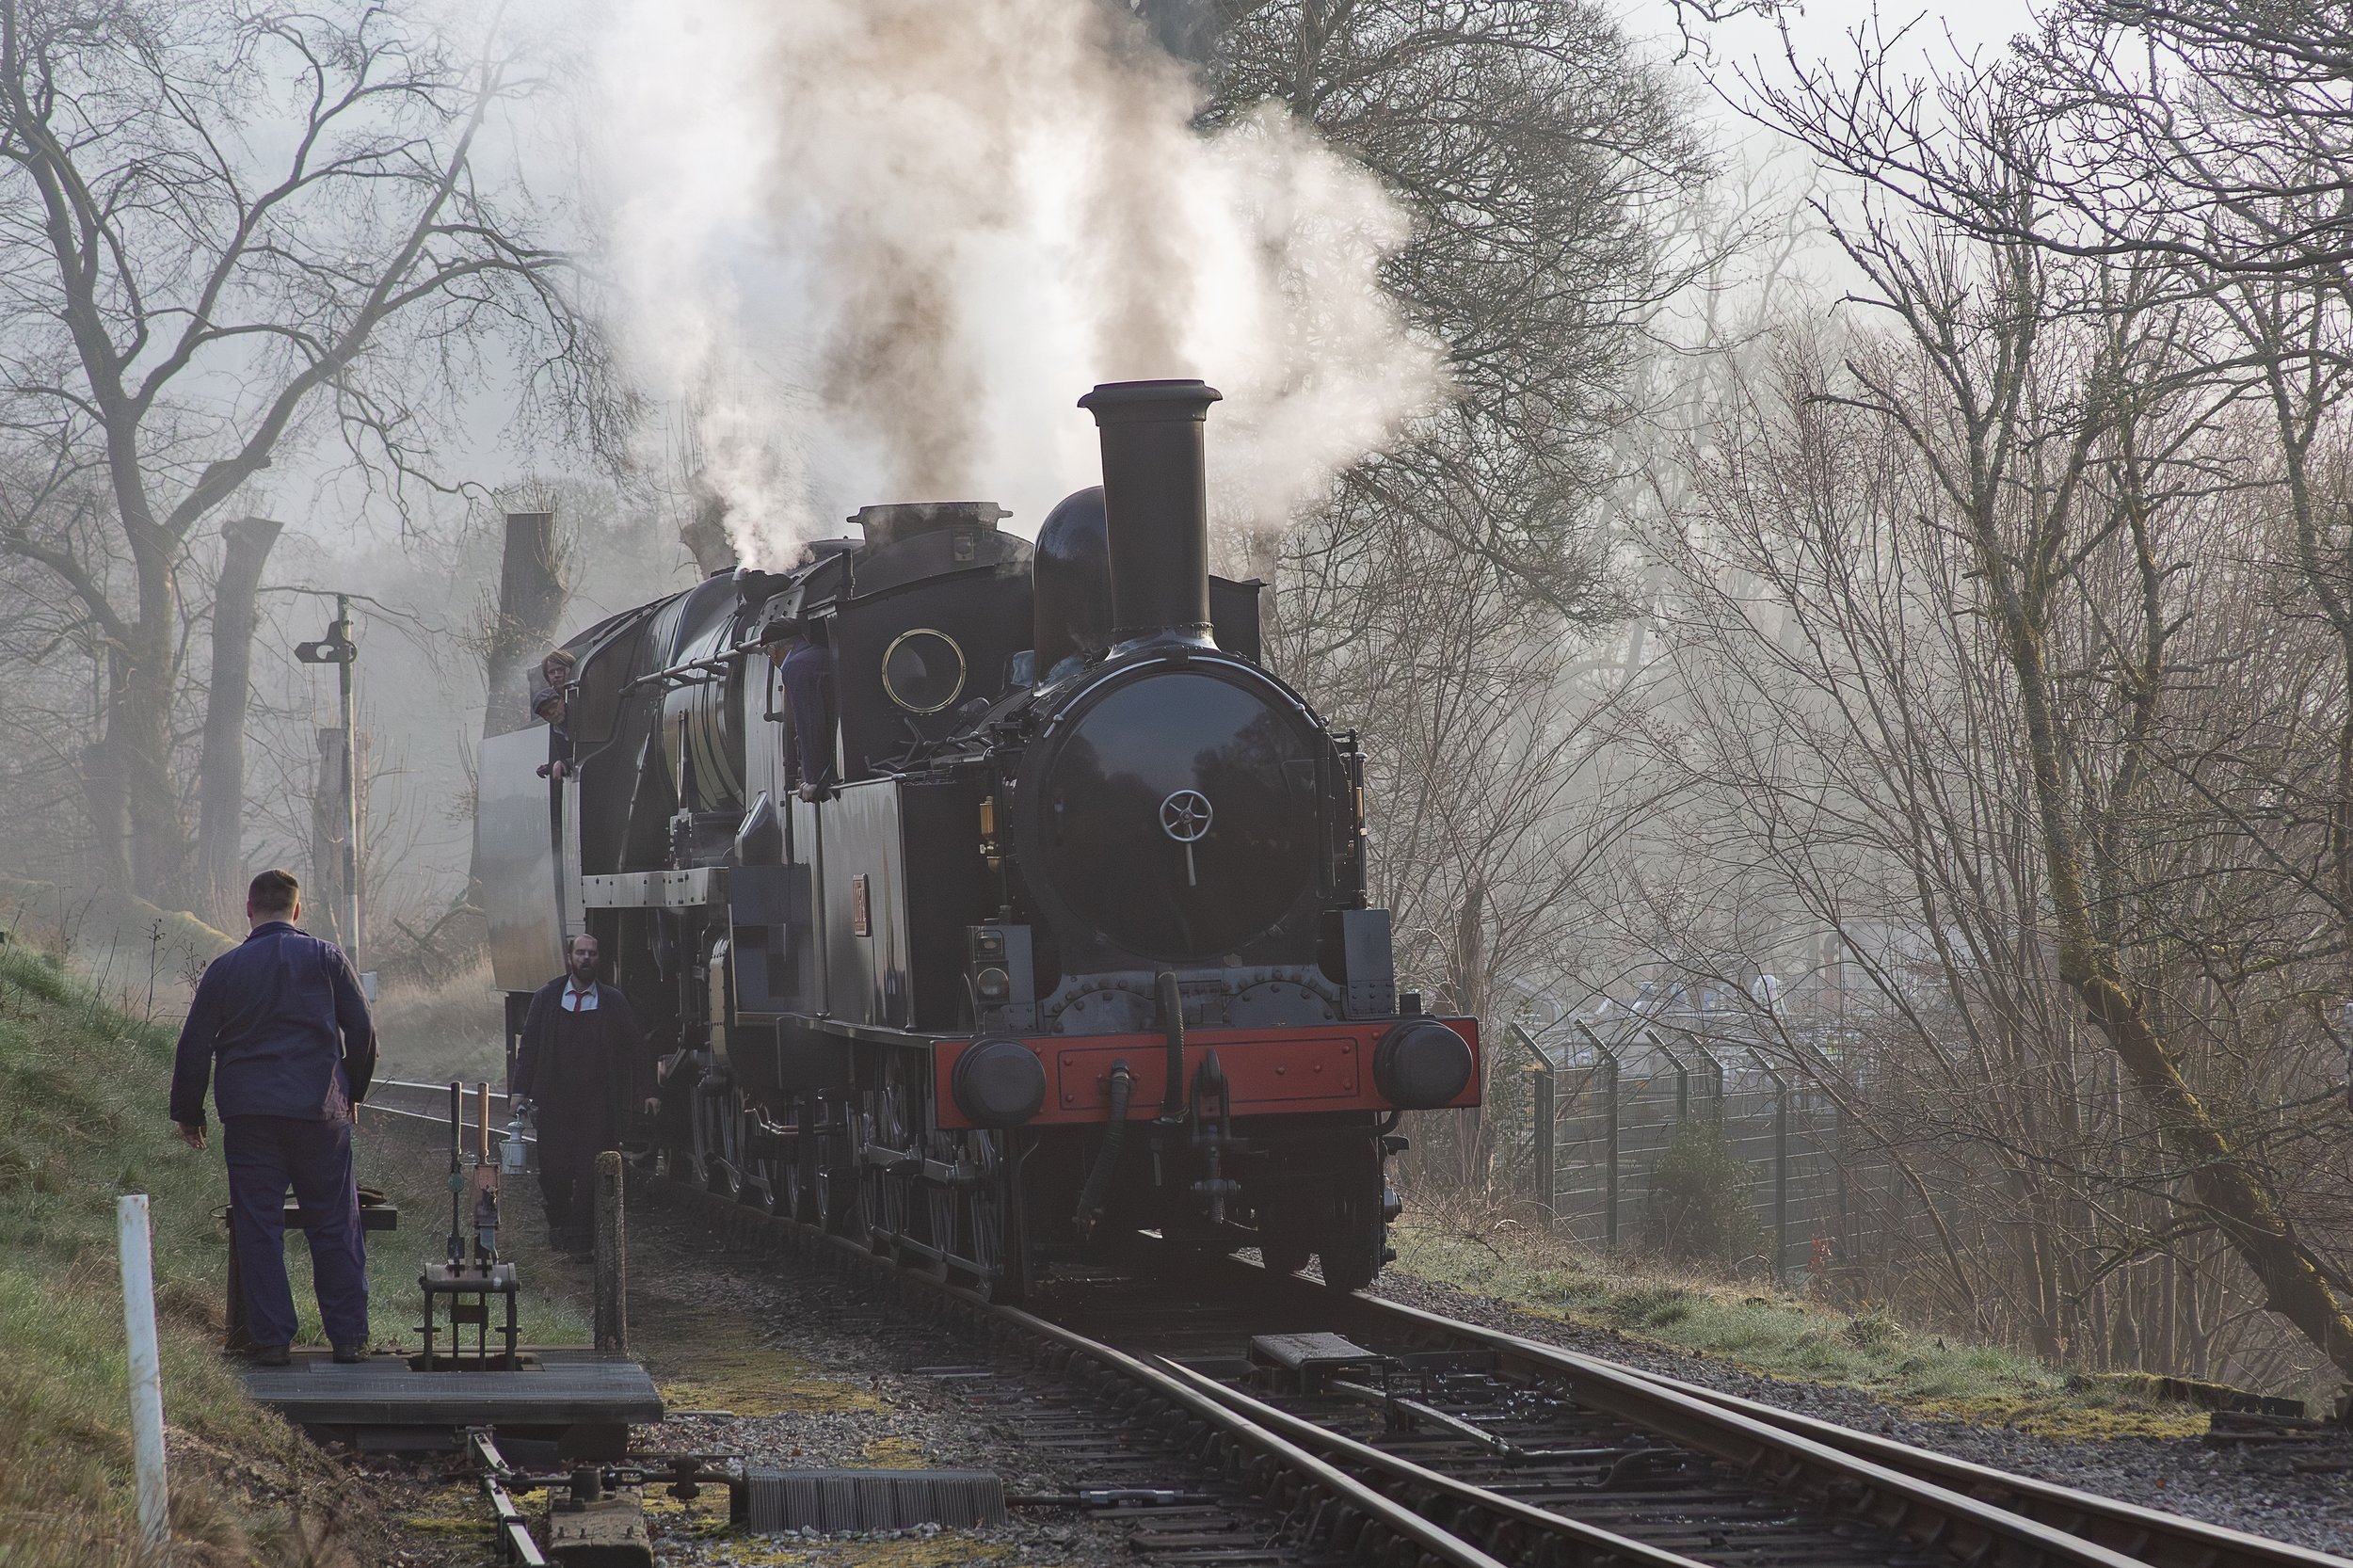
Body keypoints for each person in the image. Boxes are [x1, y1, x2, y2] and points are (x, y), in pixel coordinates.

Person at [169, 869, 376, 1366]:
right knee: (334, 1224)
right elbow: (363, 1030)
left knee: (258, 1227)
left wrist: (189, 1111)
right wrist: (352, 1089)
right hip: (318, 1112)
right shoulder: (327, 959)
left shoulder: (225, 968)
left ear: (248, 908)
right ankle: (347, 1339)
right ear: (297, 909)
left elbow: (194, 1043)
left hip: (250, 1117)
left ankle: (272, 1341)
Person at [511, 933, 646, 1250]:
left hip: (595, 1102)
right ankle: (559, 1223)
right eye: (581, 953)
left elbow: (635, 1047)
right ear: (569, 958)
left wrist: (647, 1091)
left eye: (593, 954)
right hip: (554, 1101)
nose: (586, 959)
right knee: (553, 1173)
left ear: (600, 959)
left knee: (589, 1171)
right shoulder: (547, 998)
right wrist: (519, 1090)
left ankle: (581, 1236)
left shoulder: (612, 1001)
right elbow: (528, 1046)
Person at [778, 618, 837, 801]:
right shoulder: (820, 655)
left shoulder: (796, 665)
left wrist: (814, 779)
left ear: (774, 649)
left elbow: (810, 722)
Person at [533, 685, 573, 780]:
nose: (553, 713)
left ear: (562, 700)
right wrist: (549, 768)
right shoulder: (555, 729)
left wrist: (566, 764)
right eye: (546, 712)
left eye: (554, 705)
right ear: (544, 718)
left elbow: (591, 750)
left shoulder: (581, 715)